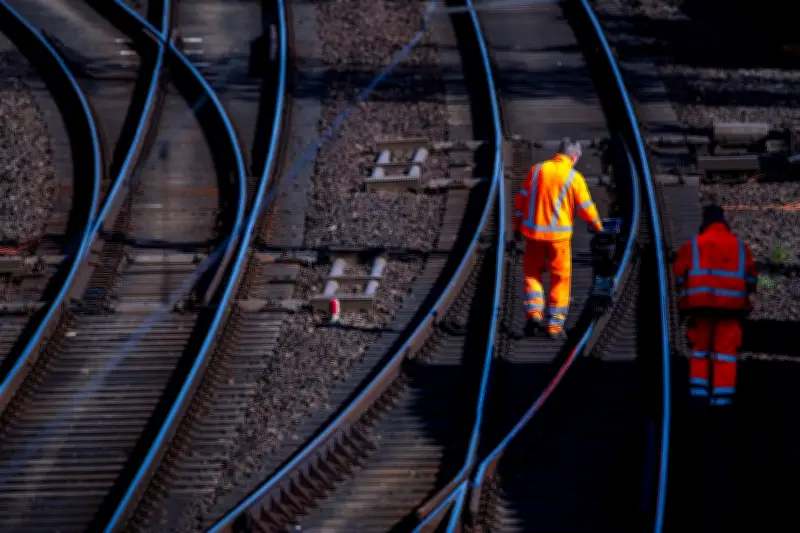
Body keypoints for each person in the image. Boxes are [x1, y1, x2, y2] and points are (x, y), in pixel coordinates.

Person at [512, 139, 604, 339]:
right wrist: (598, 227)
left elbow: (521, 200)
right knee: (560, 279)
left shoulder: (536, 171)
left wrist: (516, 227)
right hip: (559, 239)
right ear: (573, 157)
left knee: (532, 274)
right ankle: (554, 327)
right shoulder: (574, 177)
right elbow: (586, 208)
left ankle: (534, 314)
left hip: (534, 234)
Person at [673, 204, 758, 407]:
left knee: (700, 350)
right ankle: (722, 399)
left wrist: (686, 298)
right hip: (730, 309)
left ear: (705, 222)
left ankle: (698, 394)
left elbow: (678, 274)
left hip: (700, 307)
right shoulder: (739, 246)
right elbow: (751, 279)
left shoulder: (694, 244)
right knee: (725, 354)